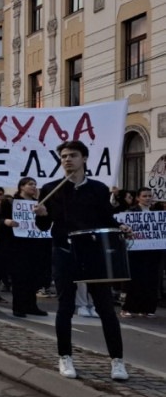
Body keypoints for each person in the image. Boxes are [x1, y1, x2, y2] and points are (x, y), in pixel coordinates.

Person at [34, 140, 129, 381]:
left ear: (84, 158)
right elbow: (45, 226)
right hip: (64, 251)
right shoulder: (51, 188)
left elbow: (106, 219)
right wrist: (42, 216)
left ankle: (117, 361)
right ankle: (65, 357)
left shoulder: (98, 189)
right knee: (65, 307)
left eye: (73, 155)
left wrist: (121, 227)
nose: (67, 159)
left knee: (105, 307)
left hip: (93, 253)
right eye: (64, 156)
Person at [0, 178, 50, 317]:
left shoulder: (38, 203)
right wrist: (7, 222)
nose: (33, 187)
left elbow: (46, 221)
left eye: (35, 185)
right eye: (30, 184)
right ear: (21, 186)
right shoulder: (9, 203)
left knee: (33, 276)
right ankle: (18, 307)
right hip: (16, 245)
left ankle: (31, 305)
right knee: (19, 277)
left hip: (35, 243)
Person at [122, 187, 162, 318]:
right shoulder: (131, 211)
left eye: (150, 196)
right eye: (144, 196)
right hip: (136, 251)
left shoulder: (157, 212)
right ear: (138, 198)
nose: (148, 198)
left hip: (153, 251)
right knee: (135, 279)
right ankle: (128, 307)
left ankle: (148, 308)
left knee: (151, 280)